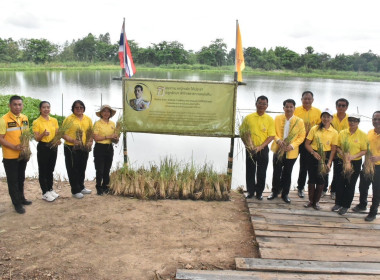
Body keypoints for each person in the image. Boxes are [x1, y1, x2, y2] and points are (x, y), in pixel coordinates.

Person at [268, 99, 305, 203]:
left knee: (287, 173)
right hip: (278, 149)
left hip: (291, 152)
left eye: (291, 107)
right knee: (276, 172)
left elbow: (302, 136)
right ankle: (274, 192)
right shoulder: (277, 118)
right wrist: (278, 140)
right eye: (287, 107)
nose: (289, 109)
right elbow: (272, 132)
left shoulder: (299, 121)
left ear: (294, 108)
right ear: (283, 108)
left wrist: (292, 146)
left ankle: (285, 194)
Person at [240, 96, 275, 200]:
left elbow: (271, 136)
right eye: (260, 103)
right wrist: (248, 145)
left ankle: (259, 193)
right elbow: (243, 133)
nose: (262, 106)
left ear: (267, 106)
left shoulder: (269, 119)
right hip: (250, 149)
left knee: (261, 171)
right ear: (256, 104)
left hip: (263, 149)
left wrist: (260, 147)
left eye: (264, 104)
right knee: (250, 170)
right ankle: (250, 192)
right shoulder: (248, 118)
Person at [0, 95, 31, 214]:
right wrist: (14, 147)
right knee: (13, 181)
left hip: (22, 155)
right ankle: (16, 204)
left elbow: (26, 136)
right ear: (9, 105)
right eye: (15, 104)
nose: (17, 107)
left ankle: (22, 199)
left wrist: (27, 150)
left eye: (20, 104)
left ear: (22, 105)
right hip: (10, 156)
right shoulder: (4, 119)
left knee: (21, 178)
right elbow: (1, 138)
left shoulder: (24, 118)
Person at [332, 114, 367, 215]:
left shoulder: (362, 135)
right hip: (342, 160)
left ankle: (346, 205)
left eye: (355, 121)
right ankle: (338, 203)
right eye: (350, 120)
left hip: (354, 162)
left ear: (358, 122)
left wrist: (353, 156)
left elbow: (364, 150)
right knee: (340, 182)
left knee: (350, 184)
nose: (352, 122)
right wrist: (342, 153)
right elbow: (337, 146)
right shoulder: (342, 133)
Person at [304, 109, 338, 210]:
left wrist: (329, 162)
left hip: (326, 156)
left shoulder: (334, 132)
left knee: (321, 179)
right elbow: (307, 144)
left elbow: (333, 150)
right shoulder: (315, 129)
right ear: (321, 118)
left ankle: (316, 202)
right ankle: (310, 201)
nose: (326, 119)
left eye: (328, 117)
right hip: (313, 154)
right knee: (312, 178)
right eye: (324, 116)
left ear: (332, 119)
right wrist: (313, 153)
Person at [352, 111, 380, 221]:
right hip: (367, 164)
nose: (377, 121)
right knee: (363, 186)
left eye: (379, 119)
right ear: (372, 120)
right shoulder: (369, 132)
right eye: (375, 119)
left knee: (377, 190)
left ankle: (373, 212)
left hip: (378, 167)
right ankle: (362, 204)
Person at [62, 100, 93, 199]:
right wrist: (72, 140)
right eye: (76, 107)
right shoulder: (69, 119)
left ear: (84, 108)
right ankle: (75, 190)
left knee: (82, 167)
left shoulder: (87, 119)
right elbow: (62, 133)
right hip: (71, 147)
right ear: (73, 109)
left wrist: (90, 142)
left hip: (83, 147)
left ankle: (81, 186)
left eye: (81, 107)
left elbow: (90, 132)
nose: (79, 109)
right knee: (72, 168)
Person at [294, 91, 321, 198]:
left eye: (309, 99)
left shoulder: (318, 112)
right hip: (296, 141)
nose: (307, 101)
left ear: (312, 100)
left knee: (304, 166)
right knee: (288, 163)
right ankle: (282, 186)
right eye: (305, 98)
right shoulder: (296, 110)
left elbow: (320, 127)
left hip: (309, 143)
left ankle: (300, 187)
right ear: (301, 99)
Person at [32, 101, 60, 202]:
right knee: (43, 170)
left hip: (53, 146)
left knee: (50, 169)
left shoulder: (54, 120)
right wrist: (43, 134)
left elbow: (57, 133)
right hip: (43, 146)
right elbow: (36, 138)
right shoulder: (36, 122)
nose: (46, 109)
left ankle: (50, 189)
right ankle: (45, 192)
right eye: (44, 107)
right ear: (40, 109)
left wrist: (58, 140)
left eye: (48, 107)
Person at [93, 105, 119, 195]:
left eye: (108, 111)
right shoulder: (97, 123)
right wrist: (108, 136)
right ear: (101, 113)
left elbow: (114, 139)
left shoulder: (112, 124)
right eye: (104, 111)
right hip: (99, 147)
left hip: (109, 147)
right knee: (99, 169)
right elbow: (96, 138)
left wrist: (116, 138)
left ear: (110, 114)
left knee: (107, 169)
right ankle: (98, 187)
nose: (106, 113)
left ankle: (105, 186)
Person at [328, 98, 350, 199]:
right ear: (336, 106)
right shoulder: (331, 117)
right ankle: (323, 189)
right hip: (329, 147)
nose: (341, 107)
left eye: (343, 106)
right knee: (325, 168)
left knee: (338, 171)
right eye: (339, 105)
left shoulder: (350, 119)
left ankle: (333, 190)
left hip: (341, 149)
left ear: (346, 107)